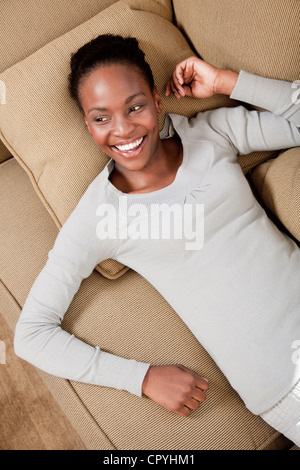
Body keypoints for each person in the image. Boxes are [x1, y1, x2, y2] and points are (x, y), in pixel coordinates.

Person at [14, 34, 300, 446]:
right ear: (86, 124)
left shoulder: (212, 134)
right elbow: (32, 335)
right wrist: (141, 378)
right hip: (283, 386)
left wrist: (225, 82)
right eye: (101, 118)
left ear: (157, 100)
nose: (123, 129)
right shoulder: (98, 216)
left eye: (135, 107)